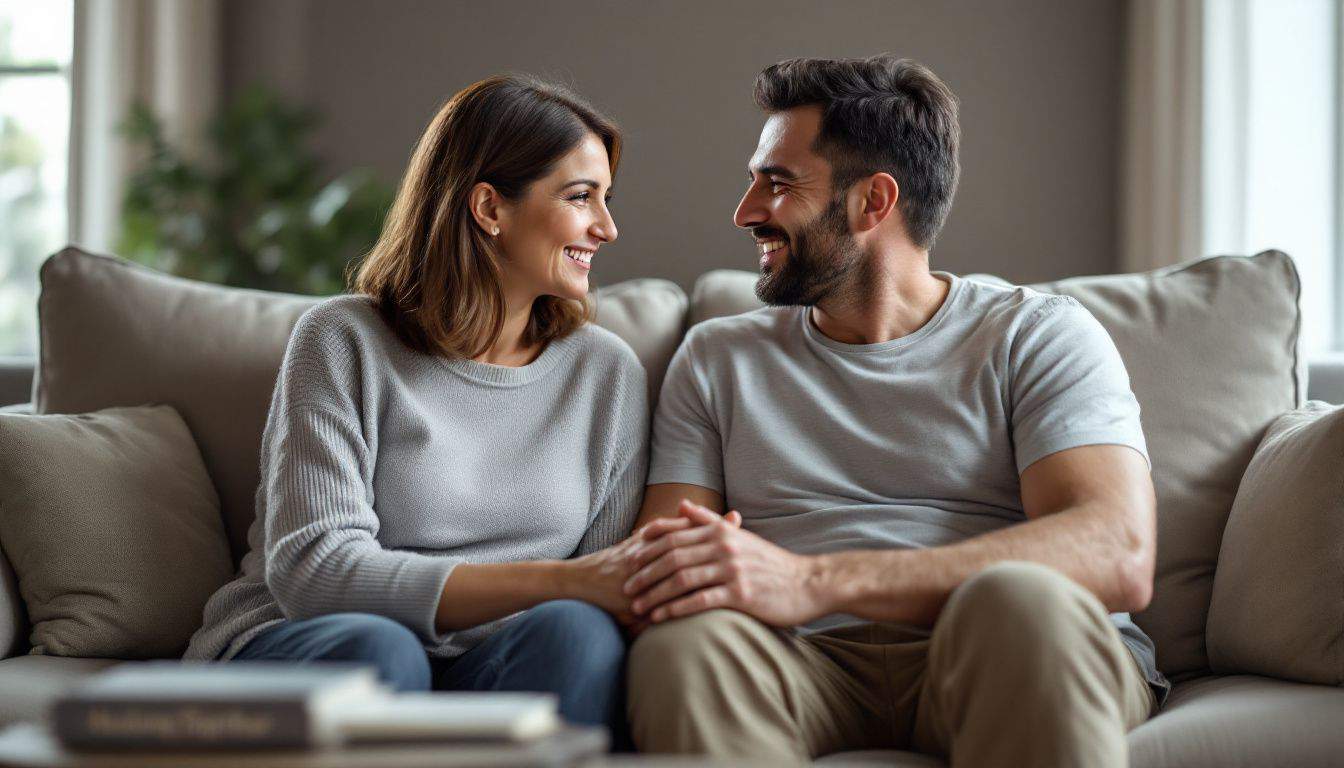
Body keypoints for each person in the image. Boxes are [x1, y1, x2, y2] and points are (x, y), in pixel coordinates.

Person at [621, 55, 1171, 766]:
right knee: (682, 645)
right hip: (799, 663)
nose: (746, 210)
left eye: (778, 182)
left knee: (1019, 605)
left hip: (997, 649)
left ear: (873, 203)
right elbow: (663, 569)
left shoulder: (1036, 334)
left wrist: (813, 581)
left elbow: (1118, 553)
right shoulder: (719, 358)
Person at [184, 74, 686, 741]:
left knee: (578, 633)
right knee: (381, 651)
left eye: (606, 199)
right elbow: (314, 571)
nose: (607, 227)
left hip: (493, 664)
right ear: (489, 208)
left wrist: (590, 588)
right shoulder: (343, 340)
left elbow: (598, 593)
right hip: (314, 643)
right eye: (580, 197)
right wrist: (557, 581)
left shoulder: (605, 373)